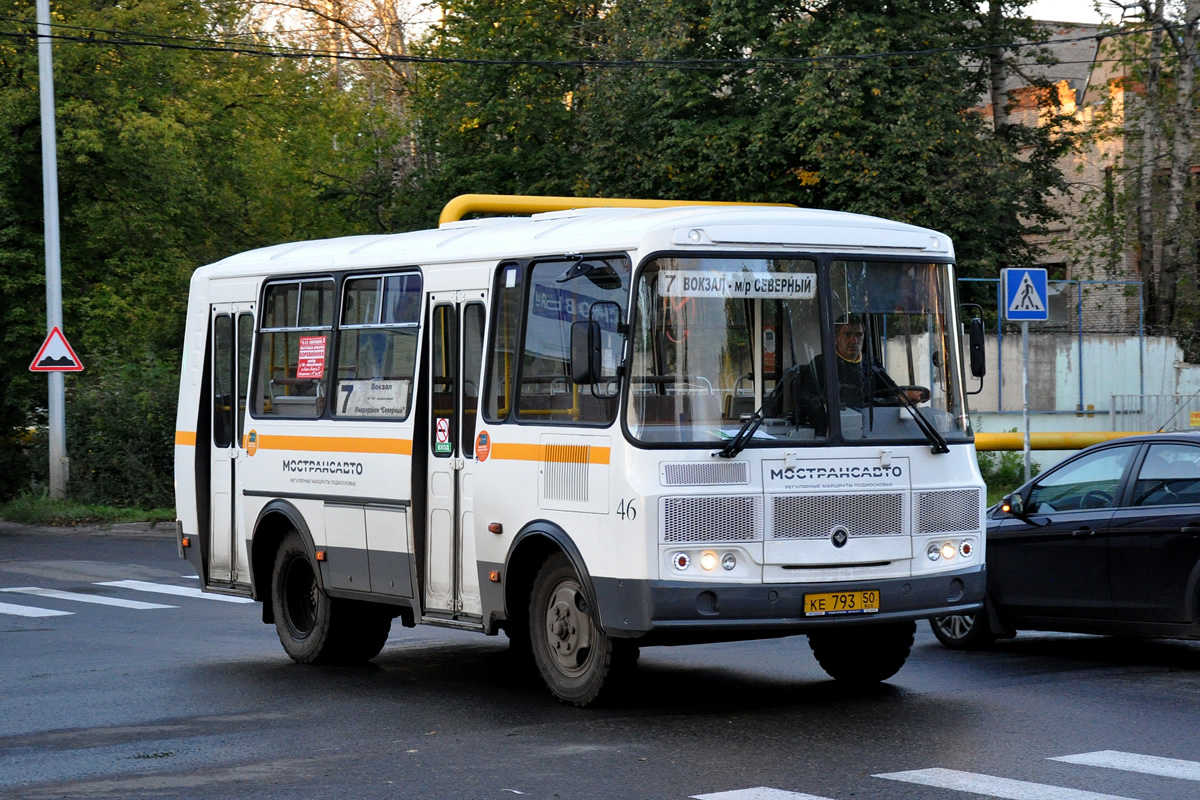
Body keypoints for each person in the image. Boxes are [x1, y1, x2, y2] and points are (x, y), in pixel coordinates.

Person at [791, 315, 927, 434]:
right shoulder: (822, 363)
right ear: (836, 337)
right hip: (836, 431)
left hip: (872, 429)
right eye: (847, 334)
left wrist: (908, 395)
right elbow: (808, 401)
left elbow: (890, 391)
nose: (853, 340)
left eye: (858, 335)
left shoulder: (872, 364)